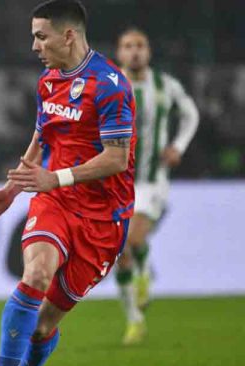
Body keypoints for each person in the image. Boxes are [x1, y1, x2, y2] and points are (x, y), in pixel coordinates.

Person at [0, 1, 135, 366]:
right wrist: (12, 190)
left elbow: (117, 158)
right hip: (55, 202)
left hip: (103, 220)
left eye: (41, 36)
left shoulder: (111, 85)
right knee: (37, 273)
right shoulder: (48, 82)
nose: (34, 46)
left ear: (68, 35)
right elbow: (41, 137)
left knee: (43, 328)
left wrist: (54, 177)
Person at [114, 28, 199, 345]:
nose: (134, 51)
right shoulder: (109, 86)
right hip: (116, 182)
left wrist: (178, 146)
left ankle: (144, 271)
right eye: (128, 46)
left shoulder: (165, 85)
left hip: (151, 180)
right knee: (120, 254)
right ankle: (134, 321)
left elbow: (191, 115)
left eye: (140, 45)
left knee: (133, 238)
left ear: (148, 51)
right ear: (120, 53)